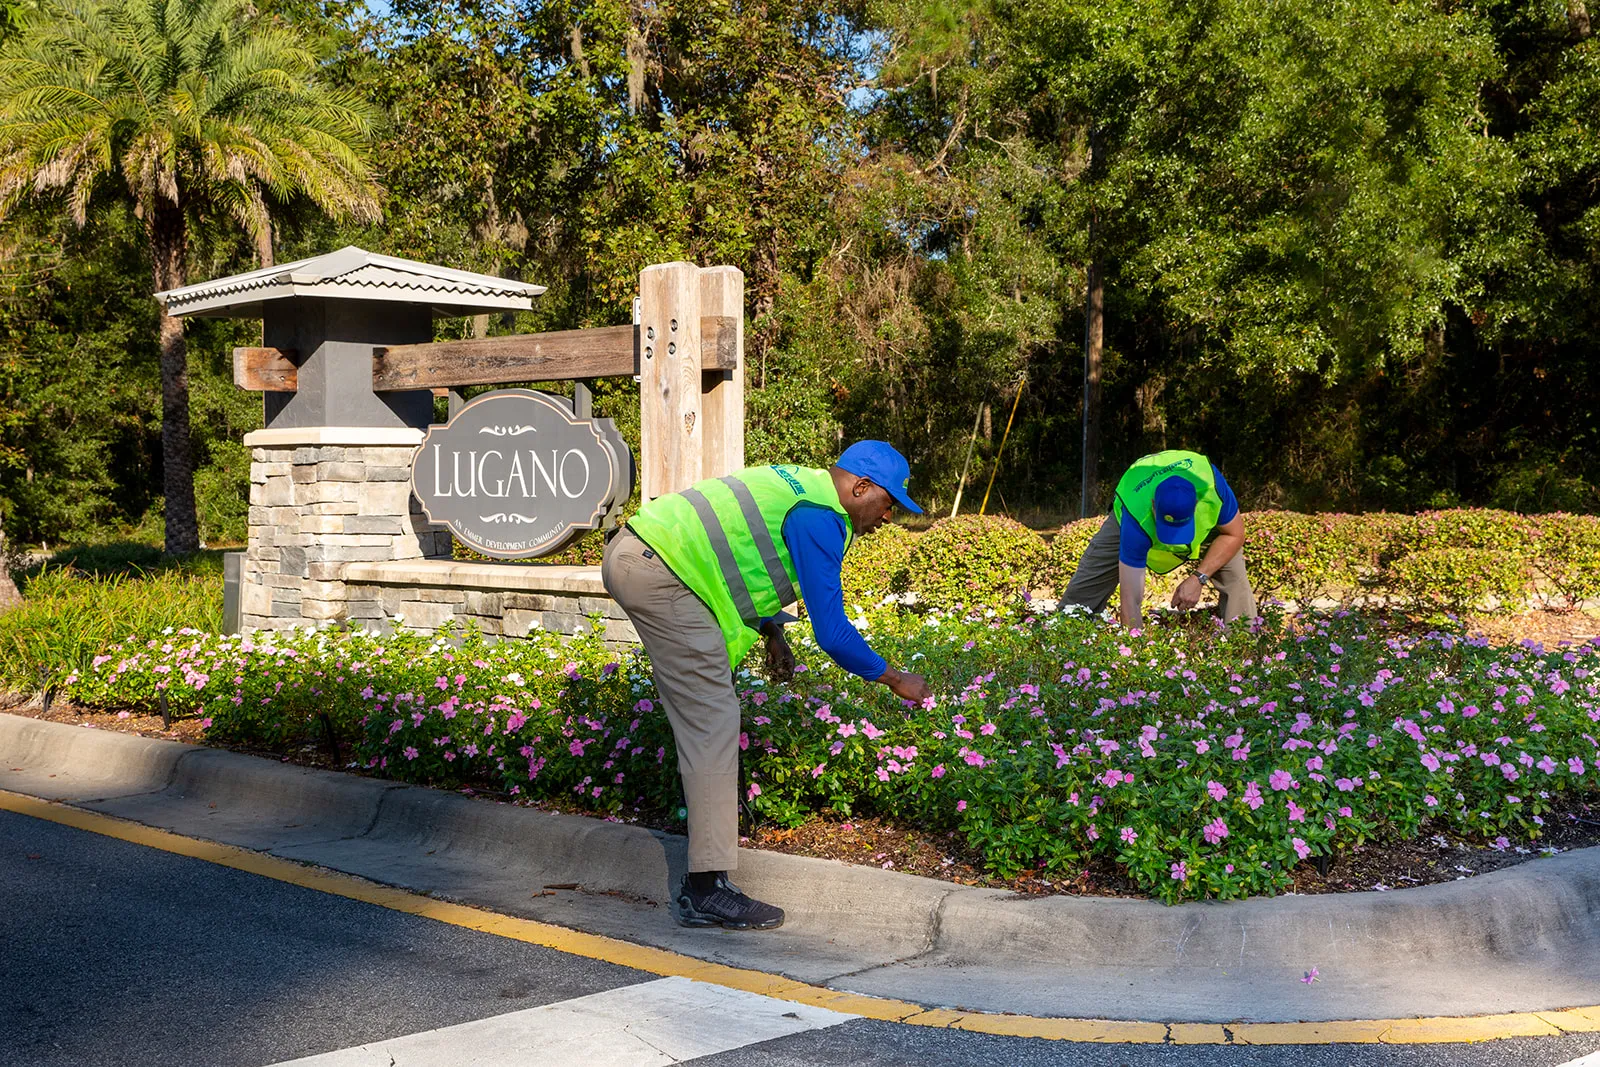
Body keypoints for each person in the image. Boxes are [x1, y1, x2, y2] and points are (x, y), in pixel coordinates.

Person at [601, 441, 933, 931]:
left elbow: (739, 554)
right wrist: (895, 678)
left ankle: (707, 871)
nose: (887, 517)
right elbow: (833, 633)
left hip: (643, 556)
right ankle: (705, 890)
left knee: (707, 711)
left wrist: (772, 630)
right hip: (660, 573)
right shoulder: (820, 518)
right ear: (860, 487)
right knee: (712, 720)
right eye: (888, 504)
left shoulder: (801, 483)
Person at [1062, 448, 1256, 629]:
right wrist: (1138, 656)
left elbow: (1235, 534)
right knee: (1086, 589)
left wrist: (1199, 578)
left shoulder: (1213, 489)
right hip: (1132, 506)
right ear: (1153, 506)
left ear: (1196, 504)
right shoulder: (1136, 517)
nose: (1172, 541)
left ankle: (1245, 652)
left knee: (1236, 581)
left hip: (1204, 513)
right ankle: (1058, 642)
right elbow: (1130, 600)